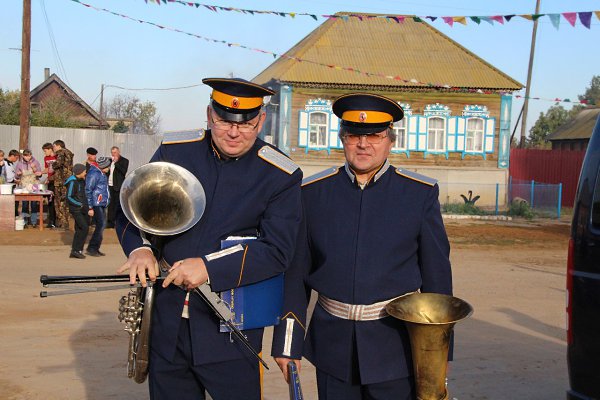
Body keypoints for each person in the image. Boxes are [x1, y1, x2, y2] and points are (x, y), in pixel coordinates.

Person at [116, 78, 302, 400]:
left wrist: (208, 267)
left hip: (232, 331)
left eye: (245, 124)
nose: (234, 132)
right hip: (167, 325)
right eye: (224, 121)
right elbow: (131, 206)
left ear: (260, 121)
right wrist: (141, 249)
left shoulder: (280, 174)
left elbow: (277, 250)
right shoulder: (175, 152)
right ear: (209, 115)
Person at [271, 93, 453, 400]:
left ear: (390, 140)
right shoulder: (312, 193)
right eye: (354, 135)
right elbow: (295, 277)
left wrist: (439, 355)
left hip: (396, 349)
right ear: (342, 138)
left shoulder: (419, 194)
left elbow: (438, 283)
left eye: (374, 136)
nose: (363, 144)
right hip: (333, 349)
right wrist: (288, 344)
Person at [85, 156, 111, 257]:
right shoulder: (94, 174)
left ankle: (95, 247)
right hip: (97, 203)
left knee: (101, 225)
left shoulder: (101, 173)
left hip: (101, 202)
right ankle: (92, 248)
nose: (109, 168)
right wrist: (90, 207)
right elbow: (88, 190)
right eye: (107, 166)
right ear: (103, 166)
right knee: (100, 225)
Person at [65, 164, 89, 259]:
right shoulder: (72, 182)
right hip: (76, 209)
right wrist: (79, 204)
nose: (85, 173)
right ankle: (76, 250)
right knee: (84, 228)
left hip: (83, 209)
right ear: (79, 172)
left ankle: (76, 250)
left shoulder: (82, 181)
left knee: (79, 229)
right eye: (84, 171)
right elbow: (69, 196)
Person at [15, 149, 43, 227]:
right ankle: (25, 222)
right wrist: (18, 174)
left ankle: (34, 222)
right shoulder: (19, 163)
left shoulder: (36, 162)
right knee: (25, 203)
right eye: (26, 156)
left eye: (29, 156)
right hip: (24, 185)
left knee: (34, 203)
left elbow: (40, 174)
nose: (28, 157)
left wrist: (35, 170)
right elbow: (16, 176)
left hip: (34, 184)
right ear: (23, 156)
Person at [52, 140, 74, 230]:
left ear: (58, 146)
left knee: (60, 202)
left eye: (54, 146)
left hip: (61, 182)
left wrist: (52, 164)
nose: (53, 148)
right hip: (67, 181)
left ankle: (63, 224)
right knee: (65, 203)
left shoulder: (61, 153)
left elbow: (57, 164)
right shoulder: (68, 153)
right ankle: (65, 223)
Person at [106, 146, 129, 229]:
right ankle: (110, 223)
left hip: (118, 186)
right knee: (110, 204)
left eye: (115, 152)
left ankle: (118, 222)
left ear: (119, 152)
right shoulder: (109, 161)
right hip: (109, 185)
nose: (113, 154)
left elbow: (123, 171)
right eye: (112, 153)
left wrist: (116, 163)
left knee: (117, 204)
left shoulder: (124, 161)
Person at [41, 143, 57, 228]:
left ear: (50, 149)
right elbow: (47, 169)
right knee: (50, 200)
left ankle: (57, 220)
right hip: (50, 181)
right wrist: (40, 172)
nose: (45, 153)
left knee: (57, 201)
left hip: (57, 182)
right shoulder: (46, 158)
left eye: (45, 151)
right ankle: (51, 220)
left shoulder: (57, 157)